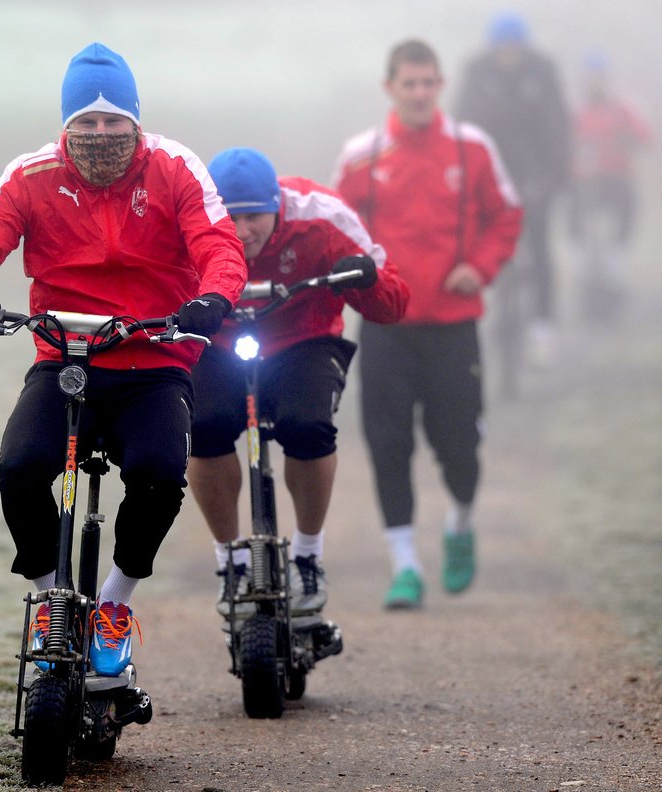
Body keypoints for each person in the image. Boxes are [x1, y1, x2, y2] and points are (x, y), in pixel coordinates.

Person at [0, 43, 247, 675]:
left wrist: (213, 297)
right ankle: (52, 595)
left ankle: (113, 602)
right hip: (67, 356)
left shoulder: (175, 167)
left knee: (161, 472)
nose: (99, 134)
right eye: (86, 122)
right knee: (19, 467)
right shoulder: (30, 175)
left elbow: (219, 243)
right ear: (65, 124)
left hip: (153, 357)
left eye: (113, 123)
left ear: (136, 120)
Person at [333, 39, 522, 609]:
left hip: (453, 325)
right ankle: (405, 564)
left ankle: (460, 524)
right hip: (387, 326)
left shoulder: (471, 149)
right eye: (408, 83)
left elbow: (506, 215)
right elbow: (336, 232)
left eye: (428, 83)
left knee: (460, 445)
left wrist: (480, 267)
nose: (419, 93)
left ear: (440, 86)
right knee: (389, 445)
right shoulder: (361, 156)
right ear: (389, 87)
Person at [189, 147, 409, 623]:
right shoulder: (190, 217)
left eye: (255, 218)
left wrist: (366, 279)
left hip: (304, 339)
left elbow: (392, 304)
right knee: (203, 426)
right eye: (232, 218)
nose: (243, 231)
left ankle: (308, 556)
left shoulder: (324, 217)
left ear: (279, 208)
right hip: (222, 341)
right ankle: (231, 561)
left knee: (307, 427)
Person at [455, 10, 570, 377]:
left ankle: (542, 327)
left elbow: (557, 124)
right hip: (490, 174)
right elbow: (463, 123)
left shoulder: (543, 71)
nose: (509, 55)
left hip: (535, 173)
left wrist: (556, 175)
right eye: (503, 48)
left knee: (538, 246)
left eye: (514, 48)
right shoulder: (477, 73)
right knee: (476, 245)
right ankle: (481, 314)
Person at [568, 50, 653, 316]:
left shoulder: (622, 108)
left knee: (619, 229)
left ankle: (616, 275)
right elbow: (558, 139)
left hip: (617, 179)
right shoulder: (574, 109)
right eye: (591, 77)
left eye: (599, 77)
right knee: (579, 231)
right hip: (583, 183)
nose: (596, 82)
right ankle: (584, 281)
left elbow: (644, 136)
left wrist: (630, 140)